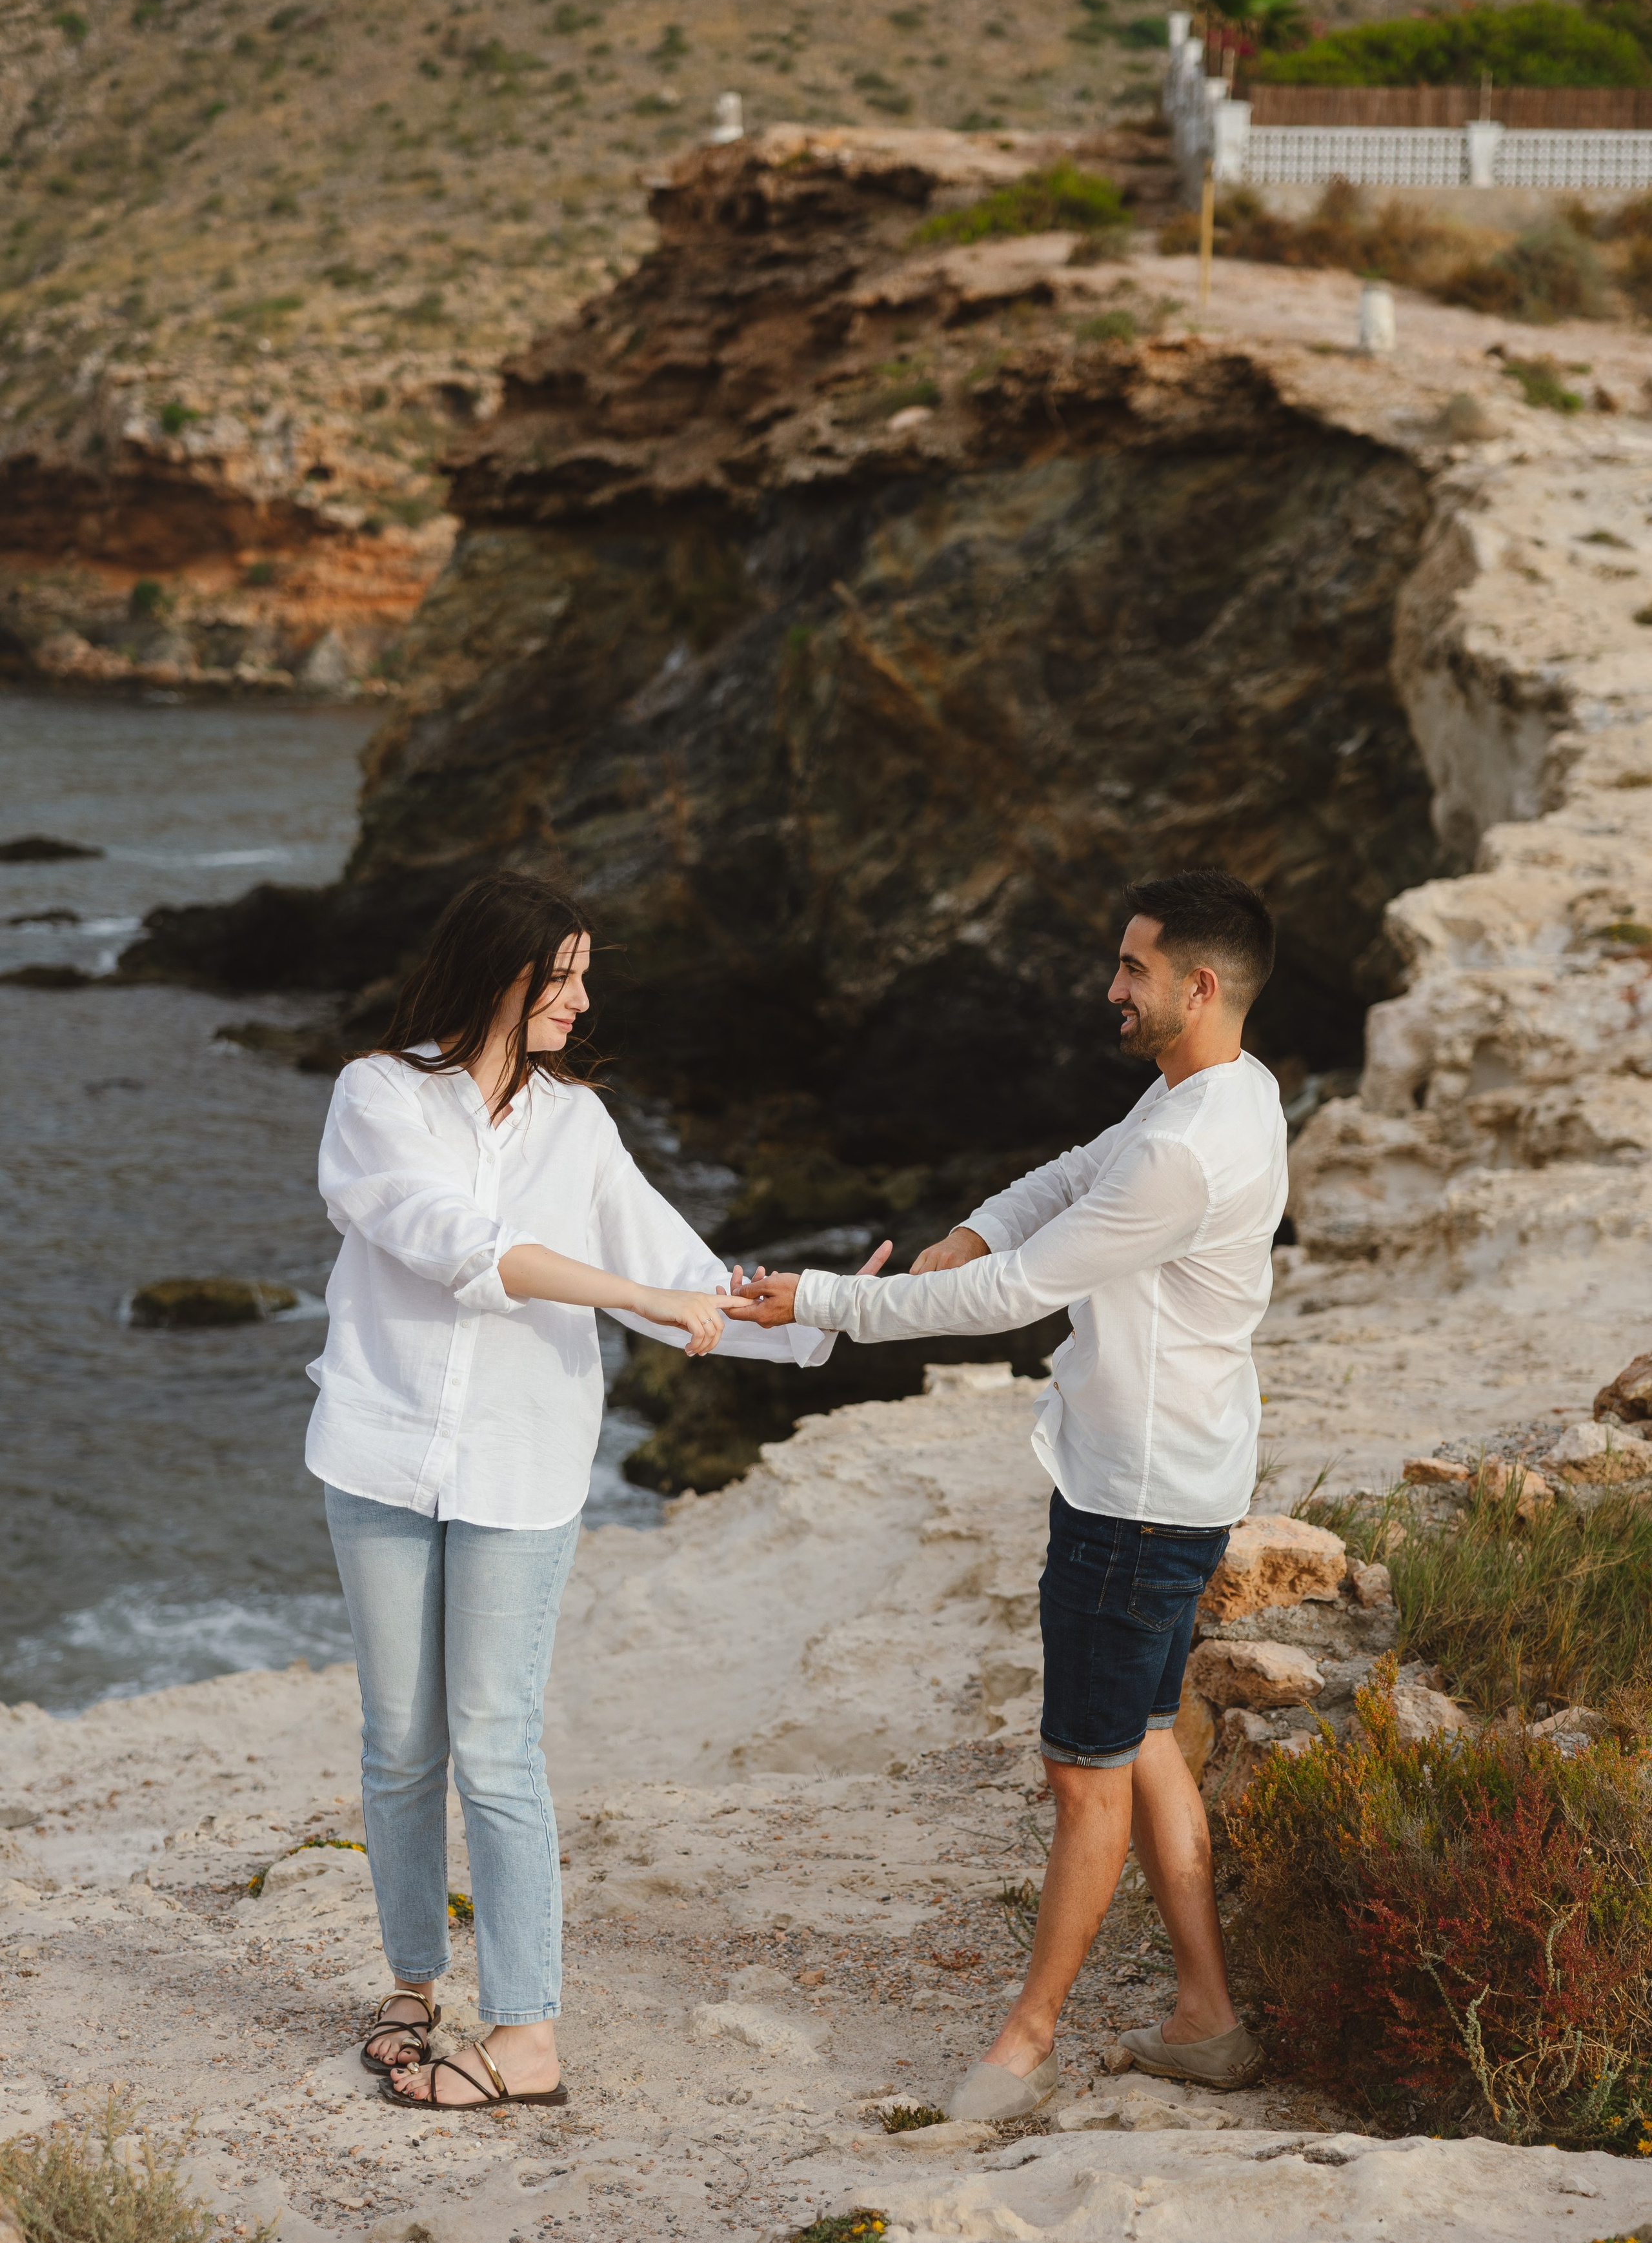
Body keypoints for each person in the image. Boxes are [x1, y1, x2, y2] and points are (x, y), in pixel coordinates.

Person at [306, 870, 888, 2114]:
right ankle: (413, 1982)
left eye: (583, 974)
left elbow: (669, 1266)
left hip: (522, 1466)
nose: (581, 998)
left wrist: (823, 1312)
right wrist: (640, 1298)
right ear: (494, 979)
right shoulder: (377, 1095)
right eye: (557, 976)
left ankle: (527, 2039)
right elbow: (453, 1244)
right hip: (382, 1450)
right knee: (400, 1744)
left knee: (497, 1749)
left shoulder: (579, 1124)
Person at [728, 869, 1287, 2117]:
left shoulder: (1191, 1152)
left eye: (1133, 968)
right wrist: (973, 1226)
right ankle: (1208, 2018)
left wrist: (823, 1297)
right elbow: (1070, 1175)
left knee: (1083, 1774)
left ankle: (1022, 2051)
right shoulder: (1220, 1093)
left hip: (1133, 1505)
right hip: (1175, 1480)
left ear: (1198, 986)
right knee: (1141, 1744)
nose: (1112, 987)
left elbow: (1014, 1299)